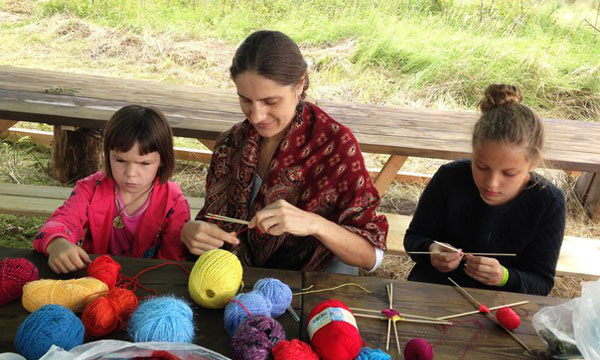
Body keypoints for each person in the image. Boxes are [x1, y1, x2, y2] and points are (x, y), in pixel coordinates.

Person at [181, 30, 388, 273]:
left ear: (299, 84)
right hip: (237, 278)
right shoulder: (232, 143)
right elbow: (214, 222)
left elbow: (371, 256)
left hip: (313, 284)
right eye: (245, 99)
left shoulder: (334, 146)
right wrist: (191, 233)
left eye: (270, 101)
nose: (256, 116)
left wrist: (315, 224)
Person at [403, 84, 566, 296]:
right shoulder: (450, 177)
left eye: (509, 173)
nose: (492, 183)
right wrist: (431, 250)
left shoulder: (547, 201)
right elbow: (415, 237)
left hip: (501, 303)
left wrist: (504, 276)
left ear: (533, 162)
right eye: (481, 167)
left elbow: (541, 282)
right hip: (433, 291)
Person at [34, 105, 190, 273]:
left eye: (144, 163)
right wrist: (57, 243)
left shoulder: (174, 203)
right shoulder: (90, 189)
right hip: (94, 279)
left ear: (163, 160)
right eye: (120, 160)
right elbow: (63, 220)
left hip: (149, 282)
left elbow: (172, 264)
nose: (131, 174)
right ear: (107, 154)